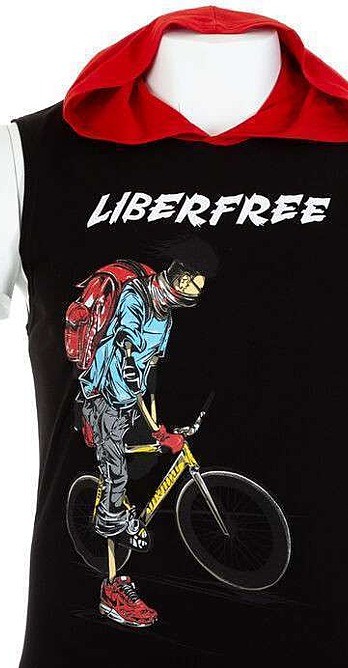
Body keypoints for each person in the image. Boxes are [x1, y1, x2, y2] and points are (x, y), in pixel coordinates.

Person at [78, 245, 214, 626]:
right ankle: (112, 589)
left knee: (145, 456)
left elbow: (148, 374)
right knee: (115, 477)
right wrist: (126, 362)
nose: (192, 293)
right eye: (192, 284)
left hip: (128, 399)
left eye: (197, 289)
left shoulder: (166, 320)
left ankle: (124, 514)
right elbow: (125, 339)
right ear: (178, 275)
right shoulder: (135, 296)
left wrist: (157, 429)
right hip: (103, 396)